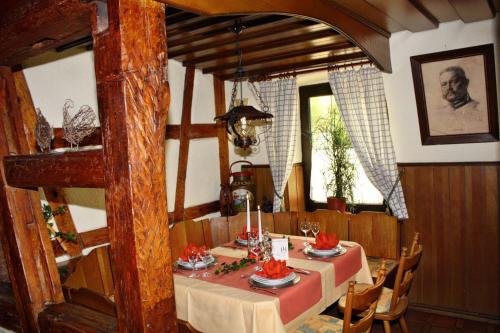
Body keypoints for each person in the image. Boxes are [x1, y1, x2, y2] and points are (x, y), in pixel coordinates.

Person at [428, 66, 488, 135]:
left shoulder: (481, 110)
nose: (448, 88)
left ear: (466, 83)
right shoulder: (438, 114)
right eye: (444, 84)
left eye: (453, 82)